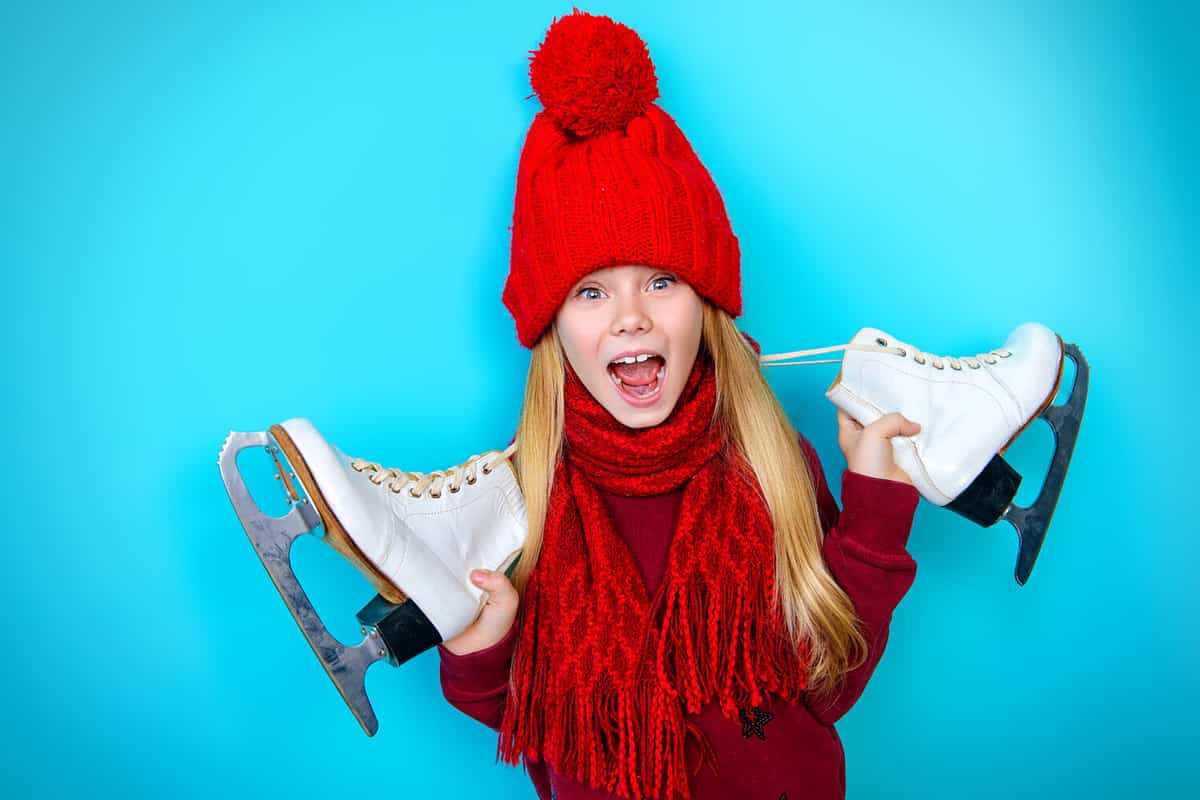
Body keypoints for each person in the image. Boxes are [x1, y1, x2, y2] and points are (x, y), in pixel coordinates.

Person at [438, 10, 922, 800]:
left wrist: (874, 518)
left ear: (707, 306)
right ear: (552, 326)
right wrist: (483, 644)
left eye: (661, 281)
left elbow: (828, 687)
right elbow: (526, 721)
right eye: (591, 291)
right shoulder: (520, 497)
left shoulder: (772, 461)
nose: (631, 318)